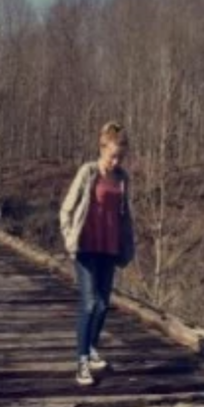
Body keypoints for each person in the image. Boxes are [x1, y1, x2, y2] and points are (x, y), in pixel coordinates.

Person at [58, 122, 136, 386]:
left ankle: (91, 348)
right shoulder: (88, 172)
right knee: (89, 303)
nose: (115, 161)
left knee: (103, 304)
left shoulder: (123, 179)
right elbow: (67, 209)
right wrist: (70, 239)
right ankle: (81, 361)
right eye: (112, 155)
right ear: (101, 149)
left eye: (120, 157)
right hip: (86, 246)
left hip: (109, 247)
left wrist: (127, 245)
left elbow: (125, 216)